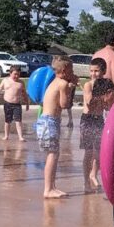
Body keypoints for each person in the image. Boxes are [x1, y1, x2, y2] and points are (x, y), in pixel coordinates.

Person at [36, 55, 73, 199]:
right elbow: (64, 104)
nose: (73, 72)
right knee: (53, 155)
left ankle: (52, 187)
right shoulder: (62, 84)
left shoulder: (54, 82)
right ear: (64, 70)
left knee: (53, 154)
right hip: (49, 122)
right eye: (71, 70)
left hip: (46, 121)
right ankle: (48, 189)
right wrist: (70, 87)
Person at [81, 58, 114, 193]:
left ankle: (93, 174)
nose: (93, 74)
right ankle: (86, 182)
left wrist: (110, 96)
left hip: (99, 119)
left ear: (104, 72)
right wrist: (102, 95)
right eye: (91, 71)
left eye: (96, 71)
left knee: (99, 152)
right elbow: (89, 103)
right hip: (88, 120)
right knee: (89, 152)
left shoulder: (106, 85)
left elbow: (107, 106)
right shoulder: (88, 85)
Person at [0, 65, 30, 141]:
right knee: (7, 121)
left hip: (17, 105)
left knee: (18, 121)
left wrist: (27, 103)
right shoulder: (5, 81)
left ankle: (20, 137)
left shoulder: (21, 83)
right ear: (10, 73)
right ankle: (6, 136)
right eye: (15, 74)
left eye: (18, 74)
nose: (16, 76)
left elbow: (24, 94)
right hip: (8, 104)